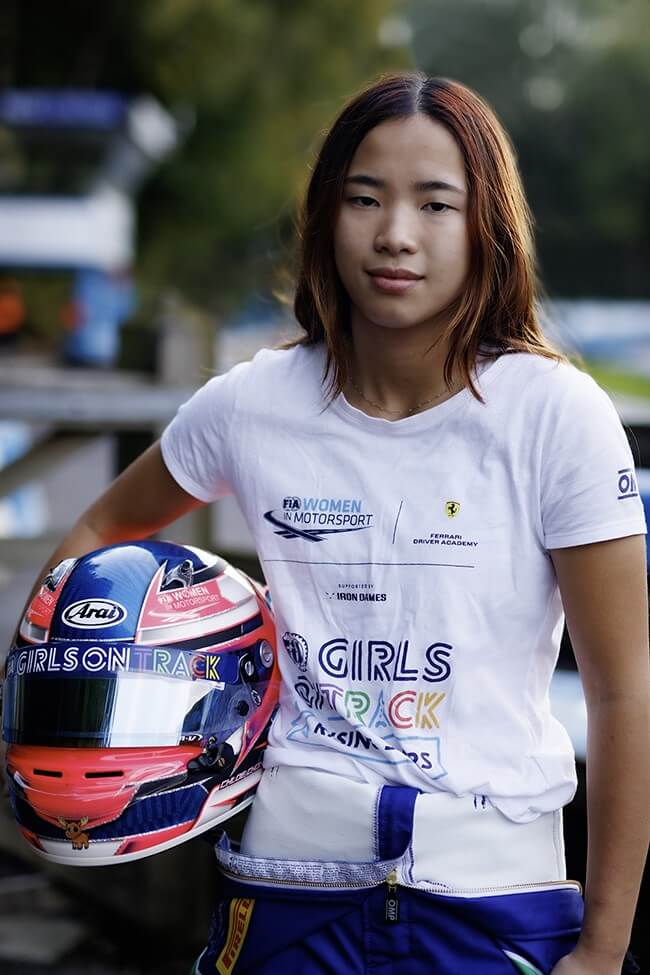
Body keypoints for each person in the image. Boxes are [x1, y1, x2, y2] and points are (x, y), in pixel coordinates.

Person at [6, 73, 649, 974]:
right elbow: (99, 533)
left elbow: (625, 691)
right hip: (283, 898)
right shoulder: (252, 402)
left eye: (436, 204)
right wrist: (62, 695)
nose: (396, 234)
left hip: (492, 904)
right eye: (365, 198)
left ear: (487, 225)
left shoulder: (557, 416)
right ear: (326, 215)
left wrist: (606, 947)